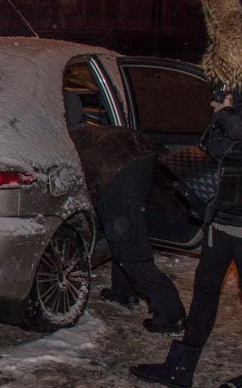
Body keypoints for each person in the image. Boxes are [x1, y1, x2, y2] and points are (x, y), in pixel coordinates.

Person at [131, 0, 242, 388]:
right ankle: (181, 366)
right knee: (207, 283)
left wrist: (226, 115)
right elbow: (237, 130)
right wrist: (219, 124)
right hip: (228, 192)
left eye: (231, 21)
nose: (223, 30)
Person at [64, 92, 186, 332]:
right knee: (124, 230)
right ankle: (124, 291)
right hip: (139, 152)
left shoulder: (67, 141)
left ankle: (170, 313)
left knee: (129, 246)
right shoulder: (88, 130)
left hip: (118, 171)